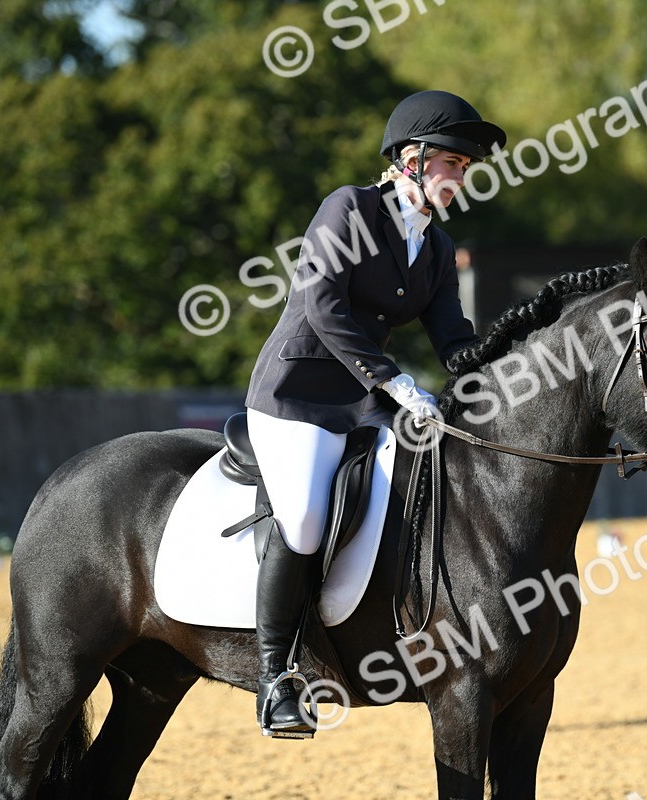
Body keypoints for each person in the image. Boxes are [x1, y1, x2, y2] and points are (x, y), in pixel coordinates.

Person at [242, 90, 505, 736]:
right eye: (452, 163)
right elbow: (323, 305)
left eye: (465, 168)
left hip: (362, 404)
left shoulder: (436, 248)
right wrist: (391, 379)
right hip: (297, 395)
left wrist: (509, 365)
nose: (460, 178)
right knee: (305, 519)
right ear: (412, 158)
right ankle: (275, 677)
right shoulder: (350, 209)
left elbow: (454, 341)